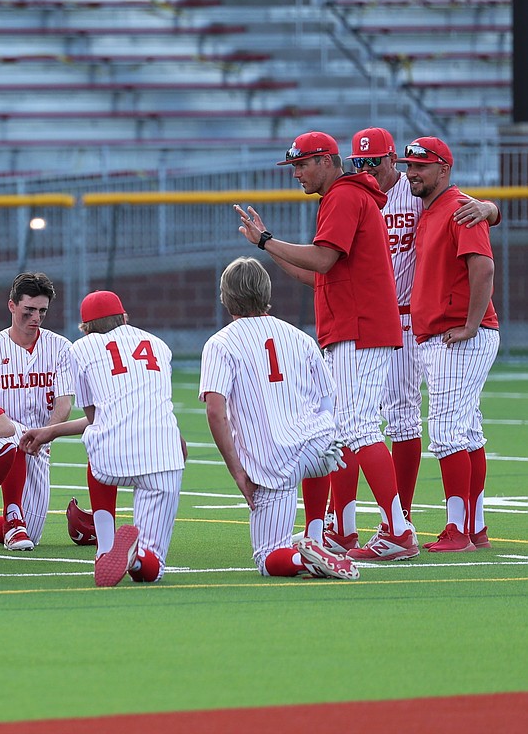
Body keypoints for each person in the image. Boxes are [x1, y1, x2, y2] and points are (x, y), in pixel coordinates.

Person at [234, 130, 417, 562]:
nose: (296, 173)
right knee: (342, 429)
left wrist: (266, 242)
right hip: (354, 325)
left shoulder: (343, 195)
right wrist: (269, 245)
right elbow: (316, 273)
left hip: (360, 326)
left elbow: (321, 259)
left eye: (302, 164)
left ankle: (398, 529)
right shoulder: (344, 195)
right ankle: (345, 530)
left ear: (328, 161)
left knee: (357, 427)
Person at [341, 128, 501, 541]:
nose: (367, 169)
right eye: (359, 162)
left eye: (375, 161)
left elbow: (472, 219)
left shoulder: (425, 198)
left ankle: (423, 520)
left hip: (431, 322)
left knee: (439, 426)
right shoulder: (361, 196)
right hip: (395, 319)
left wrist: (487, 208)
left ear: (390, 159)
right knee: (422, 420)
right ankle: (453, 523)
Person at [199, 257, 357, 580]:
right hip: (320, 446)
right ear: (266, 292)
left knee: (268, 557)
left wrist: (238, 472)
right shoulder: (299, 337)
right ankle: (314, 532)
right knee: (316, 450)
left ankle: (305, 558)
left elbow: (215, 410)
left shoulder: (220, 343)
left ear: (226, 298)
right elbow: (328, 401)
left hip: (273, 460)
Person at [19, 291, 185, 588]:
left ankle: (106, 547)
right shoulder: (159, 345)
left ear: (85, 327)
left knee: (98, 448)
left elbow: (97, 419)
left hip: (112, 458)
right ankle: (136, 559)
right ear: (124, 318)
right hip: (165, 453)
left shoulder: (81, 348)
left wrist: (50, 431)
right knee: (153, 566)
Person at [399, 136, 501, 552]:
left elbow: (484, 269)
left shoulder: (460, 208)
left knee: (447, 431)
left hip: (457, 334)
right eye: (409, 166)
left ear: (444, 168)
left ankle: (457, 530)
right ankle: (474, 528)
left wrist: (471, 325)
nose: (412, 173)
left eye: (421, 166)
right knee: (467, 432)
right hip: (442, 334)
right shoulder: (434, 209)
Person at [0, 272, 74, 549]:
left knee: (33, 533)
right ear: (12, 306)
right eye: (29, 310)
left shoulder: (61, 347)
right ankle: (12, 517)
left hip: (39, 445)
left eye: (42, 311)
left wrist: (46, 434)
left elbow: (64, 403)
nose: (36, 318)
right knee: (12, 430)